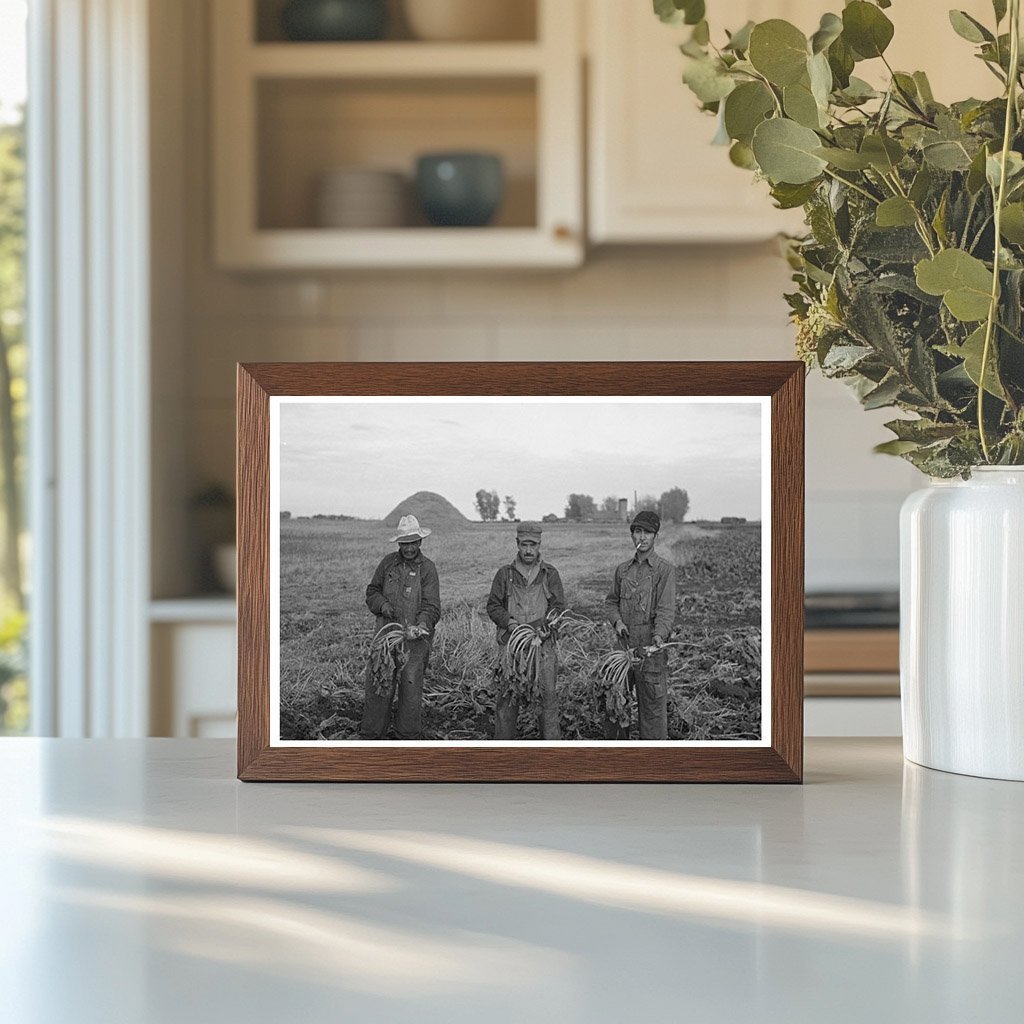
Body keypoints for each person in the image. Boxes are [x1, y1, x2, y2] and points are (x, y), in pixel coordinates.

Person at [360, 514, 441, 740]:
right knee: (379, 682)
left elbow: (433, 606)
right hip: (385, 637)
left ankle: (407, 737)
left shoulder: (428, 569)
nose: (409, 548)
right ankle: (372, 735)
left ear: (420, 542)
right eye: (405, 543)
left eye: (413, 542)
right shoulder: (388, 563)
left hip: (414, 642)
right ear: (399, 543)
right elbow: (372, 592)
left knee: (410, 687)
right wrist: (382, 605)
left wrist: (421, 625)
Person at [486, 521, 567, 739]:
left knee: (547, 699)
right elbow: (493, 606)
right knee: (507, 700)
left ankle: (551, 751)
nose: (529, 550)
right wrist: (509, 622)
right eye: (524, 545)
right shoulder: (505, 574)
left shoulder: (550, 574)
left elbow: (559, 609)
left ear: (540, 544)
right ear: (517, 544)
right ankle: (503, 750)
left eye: (533, 545)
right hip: (511, 648)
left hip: (542, 648)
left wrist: (548, 629)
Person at [603, 510, 676, 740]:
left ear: (655, 536)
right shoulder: (622, 570)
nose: (641, 537)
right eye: (637, 532)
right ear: (632, 535)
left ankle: (654, 763)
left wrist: (659, 636)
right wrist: (617, 622)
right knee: (615, 705)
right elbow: (611, 603)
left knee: (653, 711)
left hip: (650, 651)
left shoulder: (664, 570)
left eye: (647, 532)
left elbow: (666, 610)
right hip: (623, 649)